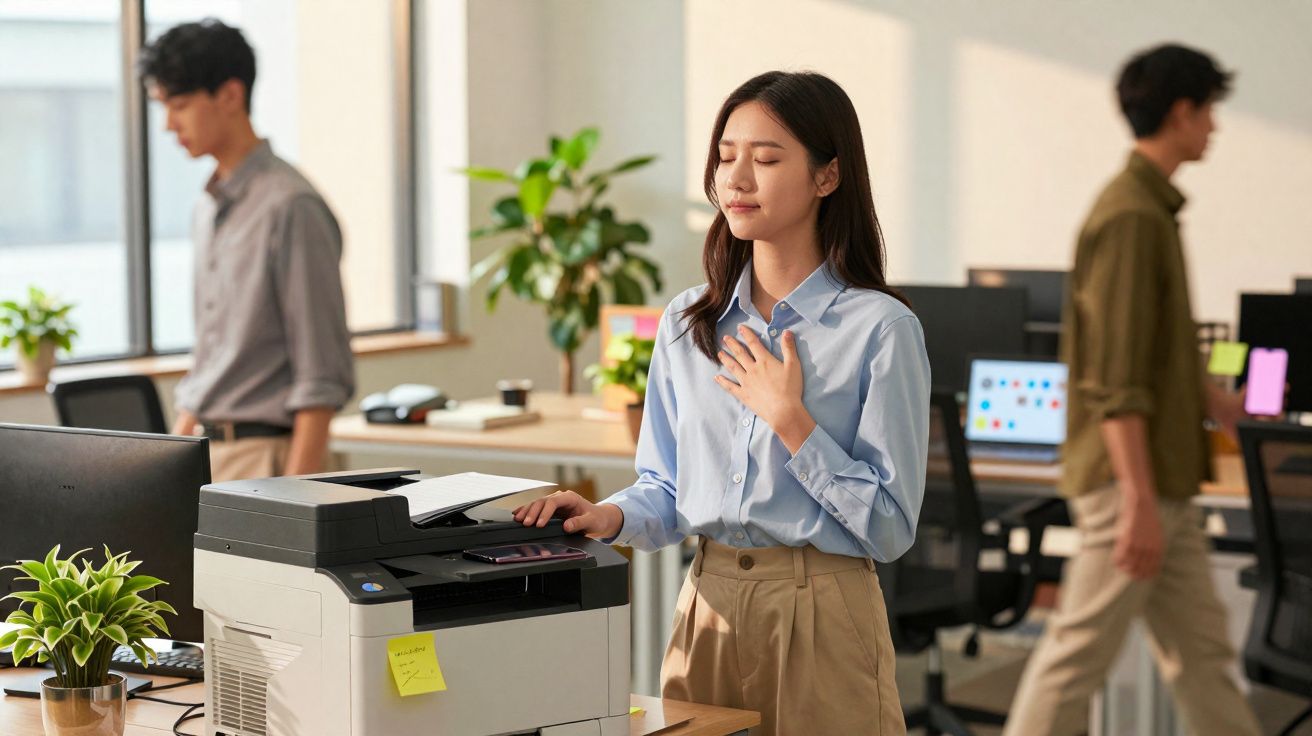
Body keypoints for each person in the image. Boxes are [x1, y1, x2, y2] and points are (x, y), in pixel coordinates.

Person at [514, 71, 929, 736]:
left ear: (827, 177)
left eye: (765, 160)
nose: (735, 179)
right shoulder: (687, 320)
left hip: (824, 610)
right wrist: (607, 514)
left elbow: (888, 527)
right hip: (705, 605)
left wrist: (792, 422)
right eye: (725, 156)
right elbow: (667, 488)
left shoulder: (880, 329)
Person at [1003, 44, 1260, 736]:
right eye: (1210, 112)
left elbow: (1159, 349)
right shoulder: (1131, 219)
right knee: (1074, 657)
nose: (1215, 128)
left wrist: (1221, 403)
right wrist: (1139, 501)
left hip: (1163, 483)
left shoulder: (1153, 211)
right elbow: (1116, 382)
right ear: (1182, 113)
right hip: (1132, 487)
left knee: (1203, 657)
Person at [137, 19, 354, 482]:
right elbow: (212, 363)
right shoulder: (206, 207)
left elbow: (321, 378)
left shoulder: (291, 206)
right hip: (205, 453)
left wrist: (295, 500)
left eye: (179, 105)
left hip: (270, 460)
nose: (168, 125)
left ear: (231, 96)